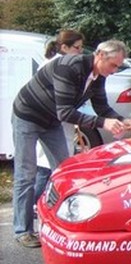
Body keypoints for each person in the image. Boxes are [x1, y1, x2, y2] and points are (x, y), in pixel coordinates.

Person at [11, 39, 131, 248]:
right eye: (113, 65)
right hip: (28, 115)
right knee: (26, 174)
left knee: (65, 169)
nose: (115, 71)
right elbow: (65, 112)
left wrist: (122, 120)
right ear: (100, 56)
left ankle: (60, 223)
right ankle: (22, 230)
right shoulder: (69, 67)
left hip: (51, 120)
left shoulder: (99, 75)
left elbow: (102, 106)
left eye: (118, 66)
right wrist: (103, 123)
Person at [33, 30, 85, 201]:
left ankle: (44, 201)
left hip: (60, 121)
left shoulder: (62, 63)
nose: (80, 51)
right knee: (46, 167)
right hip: (49, 121)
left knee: (52, 166)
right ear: (64, 47)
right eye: (77, 48)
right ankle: (36, 202)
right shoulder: (55, 65)